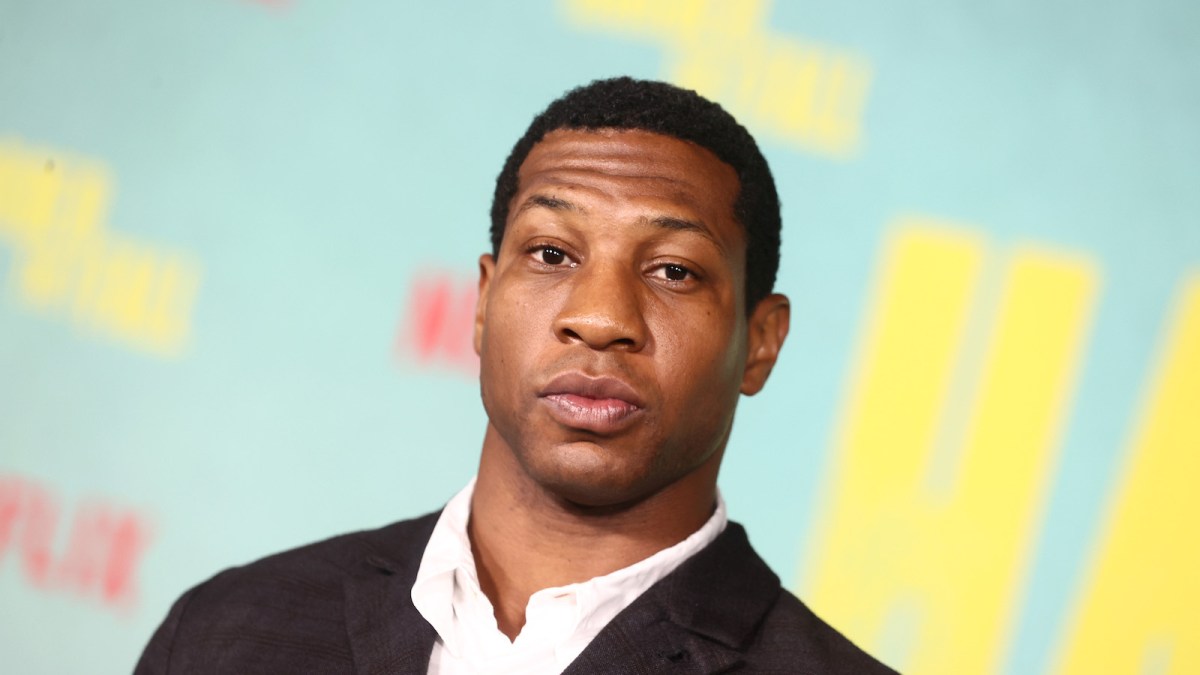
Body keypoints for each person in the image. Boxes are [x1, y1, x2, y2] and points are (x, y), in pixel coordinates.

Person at [136, 77, 897, 674]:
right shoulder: (228, 628)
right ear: (482, 300)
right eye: (552, 254)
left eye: (672, 269)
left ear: (759, 344)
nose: (599, 318)